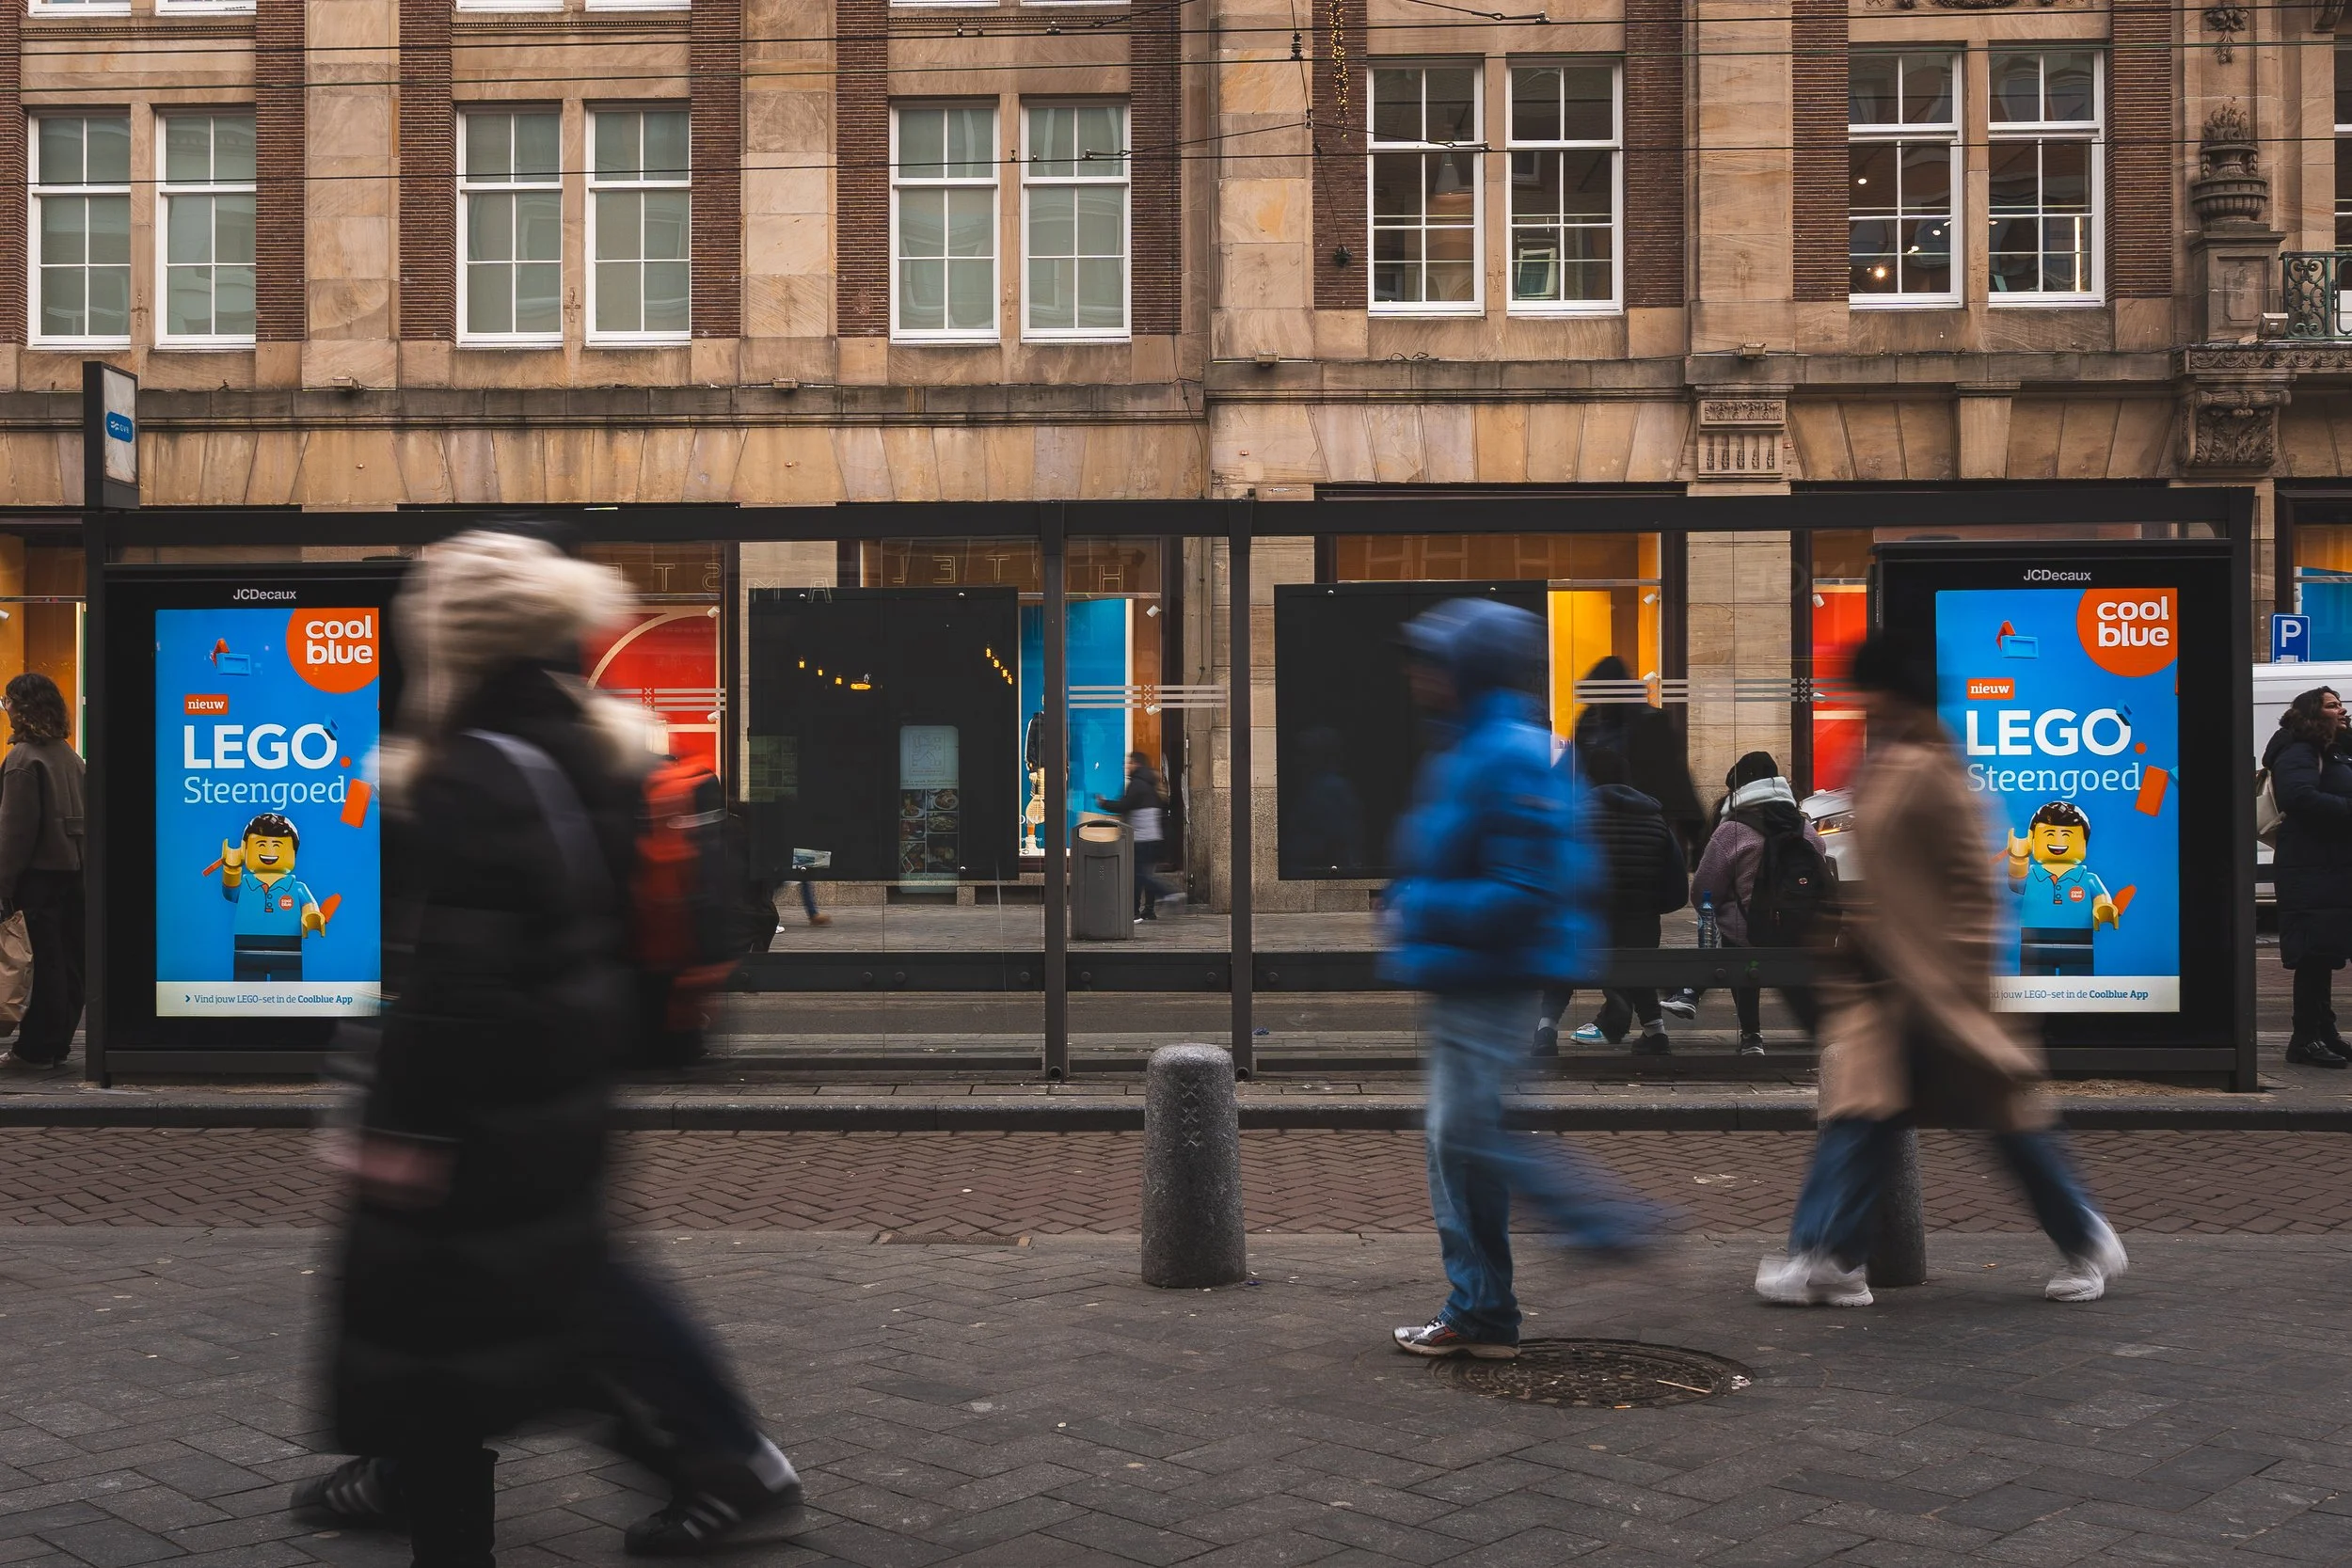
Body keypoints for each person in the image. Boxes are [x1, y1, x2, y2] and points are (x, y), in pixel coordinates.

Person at [297, 531, 801, 1565]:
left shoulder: (475, 768)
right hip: (567, 1071)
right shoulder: (597, 742)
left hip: (497, 1095)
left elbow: (455, 978)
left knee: (516, 1290)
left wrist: (394, 1124)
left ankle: (719, 1464)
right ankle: (706, 1462)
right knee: (550, 1281)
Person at [1756, 628, 2126, 1307]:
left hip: (1932, 988)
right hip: (1899, 985)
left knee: (1973, 1120)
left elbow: (1970, 891)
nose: (1857, 700)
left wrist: (1953, 978)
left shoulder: (1934, 771)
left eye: (1866, 688)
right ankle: (1832, 1256)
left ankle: (2082, 1234)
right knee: (1870, 1113)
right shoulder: (1900, 762)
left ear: (1892, 692)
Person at [1384, 599, 1661, 1359]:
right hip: (1466, 974)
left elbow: (1526, 887)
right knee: (1460, 1141)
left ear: (1465, 671)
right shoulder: (1478, 747)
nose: (1418, 676)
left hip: (1490, 977)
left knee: (1470, 1134)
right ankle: (1482, 1307)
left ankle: (1594, 1227)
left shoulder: (1505, 752)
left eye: (1432, 662)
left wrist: (1420, 905)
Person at [1534, 746, 1686, 1056]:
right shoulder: (1656, 822)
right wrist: (1648, 906)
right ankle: (1656, 1034)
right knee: (1640, 971)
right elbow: (1676, 886)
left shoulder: (1574, 817)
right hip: (1640, 926)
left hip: (1587, 922)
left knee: (1563, 965)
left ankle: (1545, 1031)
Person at [1690, 751, 1829, 1055]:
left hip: (1749, 933)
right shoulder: (1803, 827)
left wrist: (1721, 907)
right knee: (1792, 966)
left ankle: (1751, 1035)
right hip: (1797, 928)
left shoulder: (1731, 830)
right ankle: (1819, 1029)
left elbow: (1704, 888)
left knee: (1740, 947)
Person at [0, 673, 84, 1072]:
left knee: (41, 965)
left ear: (25, 707)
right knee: (67, 963)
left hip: (37, 876)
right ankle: (57, 1044)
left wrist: (3, 884)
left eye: (9, 701)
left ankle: (33, 1050)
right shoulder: (67, 756)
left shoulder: (23, 760)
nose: (8, 710)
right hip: (73, 873)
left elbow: (14, 832)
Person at [2265, 686, 2352, 1068]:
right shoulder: (2299, 750)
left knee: (2326, 952)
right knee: (2313, 955)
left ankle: (2325, 1032)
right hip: (2309, 865)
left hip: (2328, 864)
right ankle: (2303, 1039)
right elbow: (2297, 796)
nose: (2342, 709)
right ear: (2314, 714)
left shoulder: (2328, 749)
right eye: (2333, 705)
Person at [1571, 656, 1706, 865]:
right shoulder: (1589, 723)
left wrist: (1698, 837)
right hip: (1598, 828)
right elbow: (1572, 768)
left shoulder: (1648, 724)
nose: (1598, 702)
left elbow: (1677, 782)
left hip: (1642, 826)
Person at [1097, 750, 1175, 920]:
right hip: (1154, 838)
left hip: (1141, 838)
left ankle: (1164, 896)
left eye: (1129, 763)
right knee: (1146, 874)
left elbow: (1124, 805)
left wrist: (1103, 803)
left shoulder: (1137, 784)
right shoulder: (1151, 783)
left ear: (1137, 765)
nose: (1126, 766)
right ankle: (1148, 910)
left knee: (1138, 876)